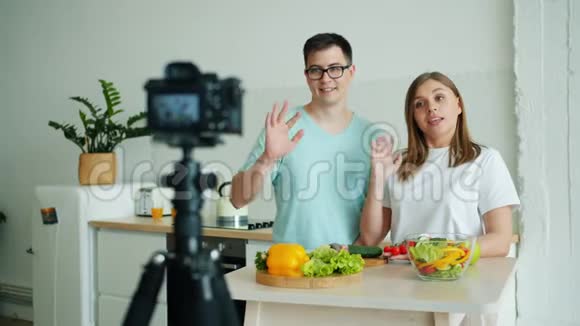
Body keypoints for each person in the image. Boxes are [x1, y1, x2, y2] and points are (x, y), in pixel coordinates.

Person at [230, 33, 372, 249]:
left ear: (351, 72)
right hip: (289, 267)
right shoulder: (283, 128)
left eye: (335, 69)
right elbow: (237, 199)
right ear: (307, 76)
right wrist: (267, 159)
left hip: (350, 267)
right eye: (316, 70)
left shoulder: (371, 136)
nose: (326, 79)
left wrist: (354, 253)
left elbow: (378, 219)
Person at [359, 71, 519, 259]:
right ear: (413, 116)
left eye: (439, 98)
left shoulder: (485, 159)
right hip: (400, 280)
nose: (431, 108)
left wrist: (435, 253)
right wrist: (377, 178)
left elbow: (500, 241)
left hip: (458, 278)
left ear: (458, 105)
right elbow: (370, 239)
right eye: (420, 104)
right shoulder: (396, 162)